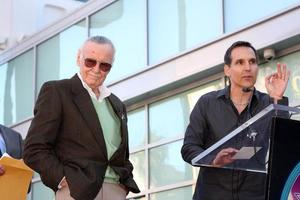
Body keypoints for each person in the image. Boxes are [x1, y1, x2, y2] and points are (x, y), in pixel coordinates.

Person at [23, 36, 140, 200]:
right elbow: (33, 148)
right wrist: (62, 178)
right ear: (79, 58)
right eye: (90, 62)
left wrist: (124, 182)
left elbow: (122, 155)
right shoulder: (57, 91)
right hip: (76, 190)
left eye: (104, 65)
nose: (97, 69)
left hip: (116, 190)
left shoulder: (117, 104)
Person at [181, 41, 290, 200]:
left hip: (254, 195)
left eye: (252, 62)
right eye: (240, 62)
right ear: (227, 70)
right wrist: (213, 160)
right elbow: (189, 148)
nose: (248, 67)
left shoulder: (269, 103)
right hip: (212, 195)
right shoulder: (207, 103)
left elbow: (284, 144)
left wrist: (278, 99)